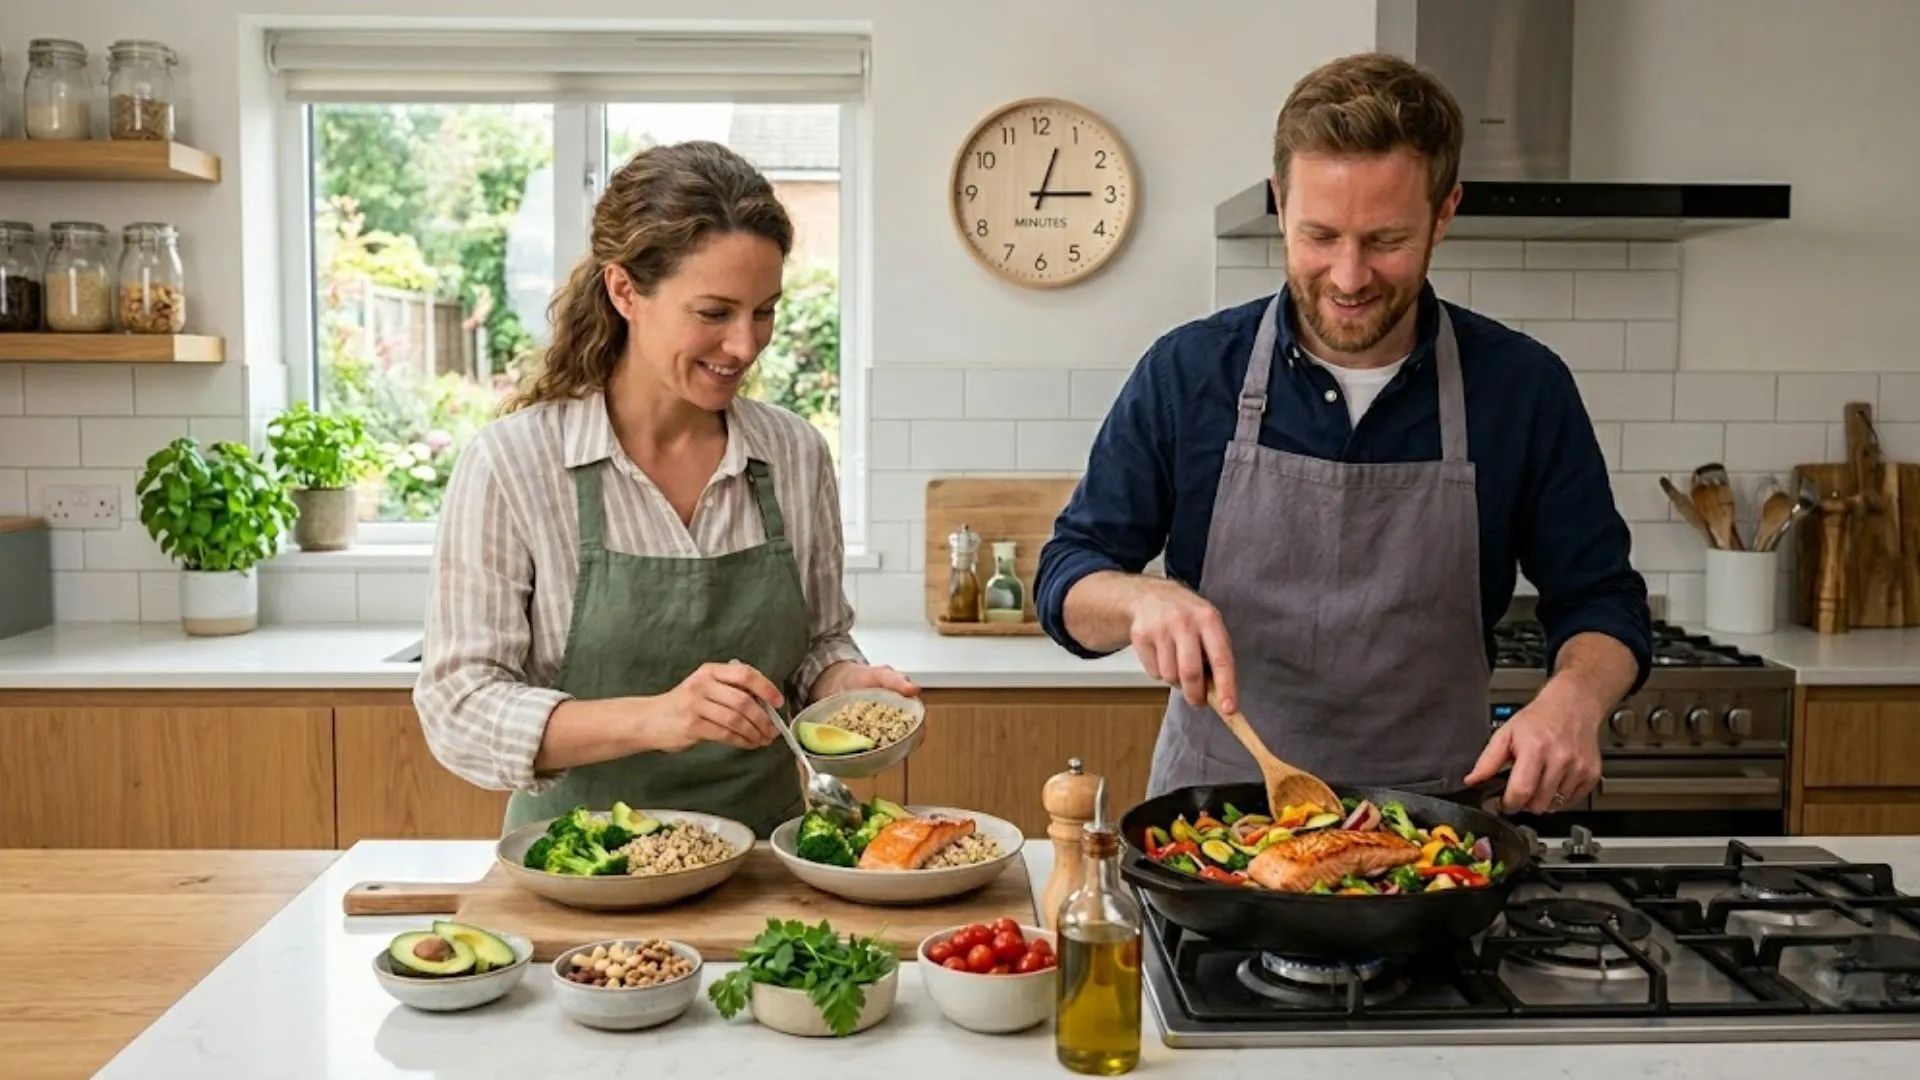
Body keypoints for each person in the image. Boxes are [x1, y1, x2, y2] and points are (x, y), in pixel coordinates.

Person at [1034, 53, 1651, 816]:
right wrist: (1138, 601)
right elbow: (1067, 576)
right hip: (1218, 824)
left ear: (1445, 212)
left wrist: (1576, 699)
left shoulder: (1522, 389)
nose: (1350, 276)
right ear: (1279, 204)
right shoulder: (1189, 373)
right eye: (1319, 236)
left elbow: (1601, 598)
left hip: (1432, 836)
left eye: (1386, 240)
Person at [415, 141, 915, 839]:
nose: (744, 345)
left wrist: (842, 687)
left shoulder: (793, 454)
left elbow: (818, 645)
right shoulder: (515, 464)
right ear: (625, 292)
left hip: (769, 866)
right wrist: (657, 718)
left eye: (763, 311)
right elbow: (459, 708)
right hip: (581, 868)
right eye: (714, 313)